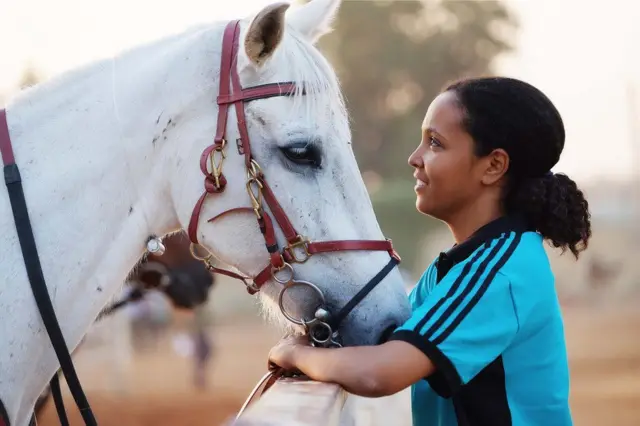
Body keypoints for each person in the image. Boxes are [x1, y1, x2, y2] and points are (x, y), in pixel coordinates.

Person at [268, 76, 591, 426]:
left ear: (494, 166)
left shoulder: (499, 271)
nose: (414, 158)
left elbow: (381, 373)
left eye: (435, 143)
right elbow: (382, 347)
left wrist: (295, 355)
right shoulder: (464, 264)